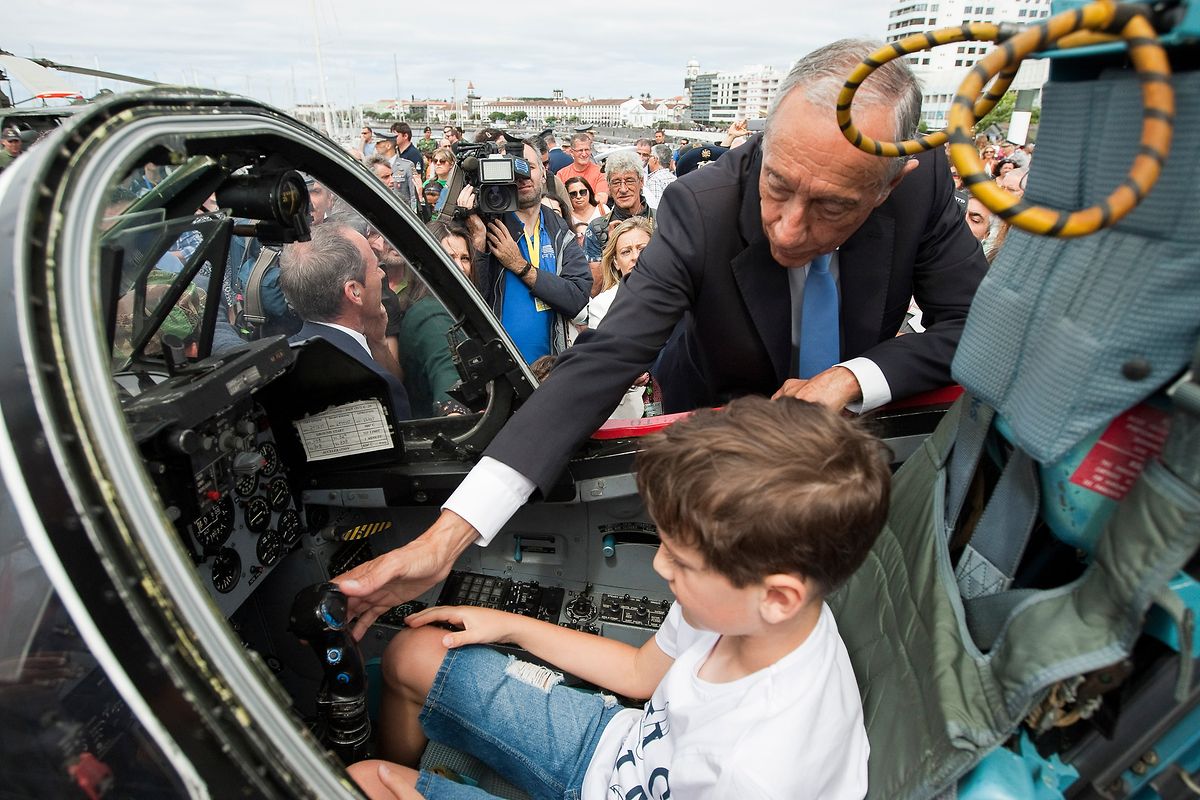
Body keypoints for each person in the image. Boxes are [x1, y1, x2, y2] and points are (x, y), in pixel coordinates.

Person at [334, 38, 985, 633]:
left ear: (889, 183)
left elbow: (972, 328)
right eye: (777, 185)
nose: (788, 230)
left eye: (833, 206)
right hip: (720, 454)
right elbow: (607, 359)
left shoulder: (922, 180)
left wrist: (851, 379)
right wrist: (445, 538)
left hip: (854, 467)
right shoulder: (700, 207)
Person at [346, 396, 887, 800]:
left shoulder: (761, 772)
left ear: (779, 596)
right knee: (412, 652)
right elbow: (640, 675)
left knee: (365, 783)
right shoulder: (754, 609)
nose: (659, 566)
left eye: (682, 561)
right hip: (614, 745)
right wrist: (506, 624)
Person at [469, 137, 591, 364]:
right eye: (515, 168)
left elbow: (577, 297)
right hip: (501, 372)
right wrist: (477, 243)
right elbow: (470, 300)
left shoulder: (558, 226)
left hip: (550, 371)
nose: (523, 176)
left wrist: (521, 266)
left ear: (544, 172)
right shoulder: (489, 225)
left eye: (530, 167)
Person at [279, 222, 412, 420]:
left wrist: (378, 343)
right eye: (375, 267)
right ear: (354, 292)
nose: (382, 274)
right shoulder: (377, 386)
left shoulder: (278, 366)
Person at [556, 133, 609, 208]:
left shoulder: (600, 172)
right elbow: (558, 200)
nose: (584, 154)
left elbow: (602, 198)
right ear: (571, 152)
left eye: (587, 150)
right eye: (580, 150)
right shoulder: (561, 174)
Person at [643, 143, 676, 210]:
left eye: (650, 156)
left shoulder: (654, 180)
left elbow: (655, 208)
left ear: (655, 159)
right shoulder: (674, 178)